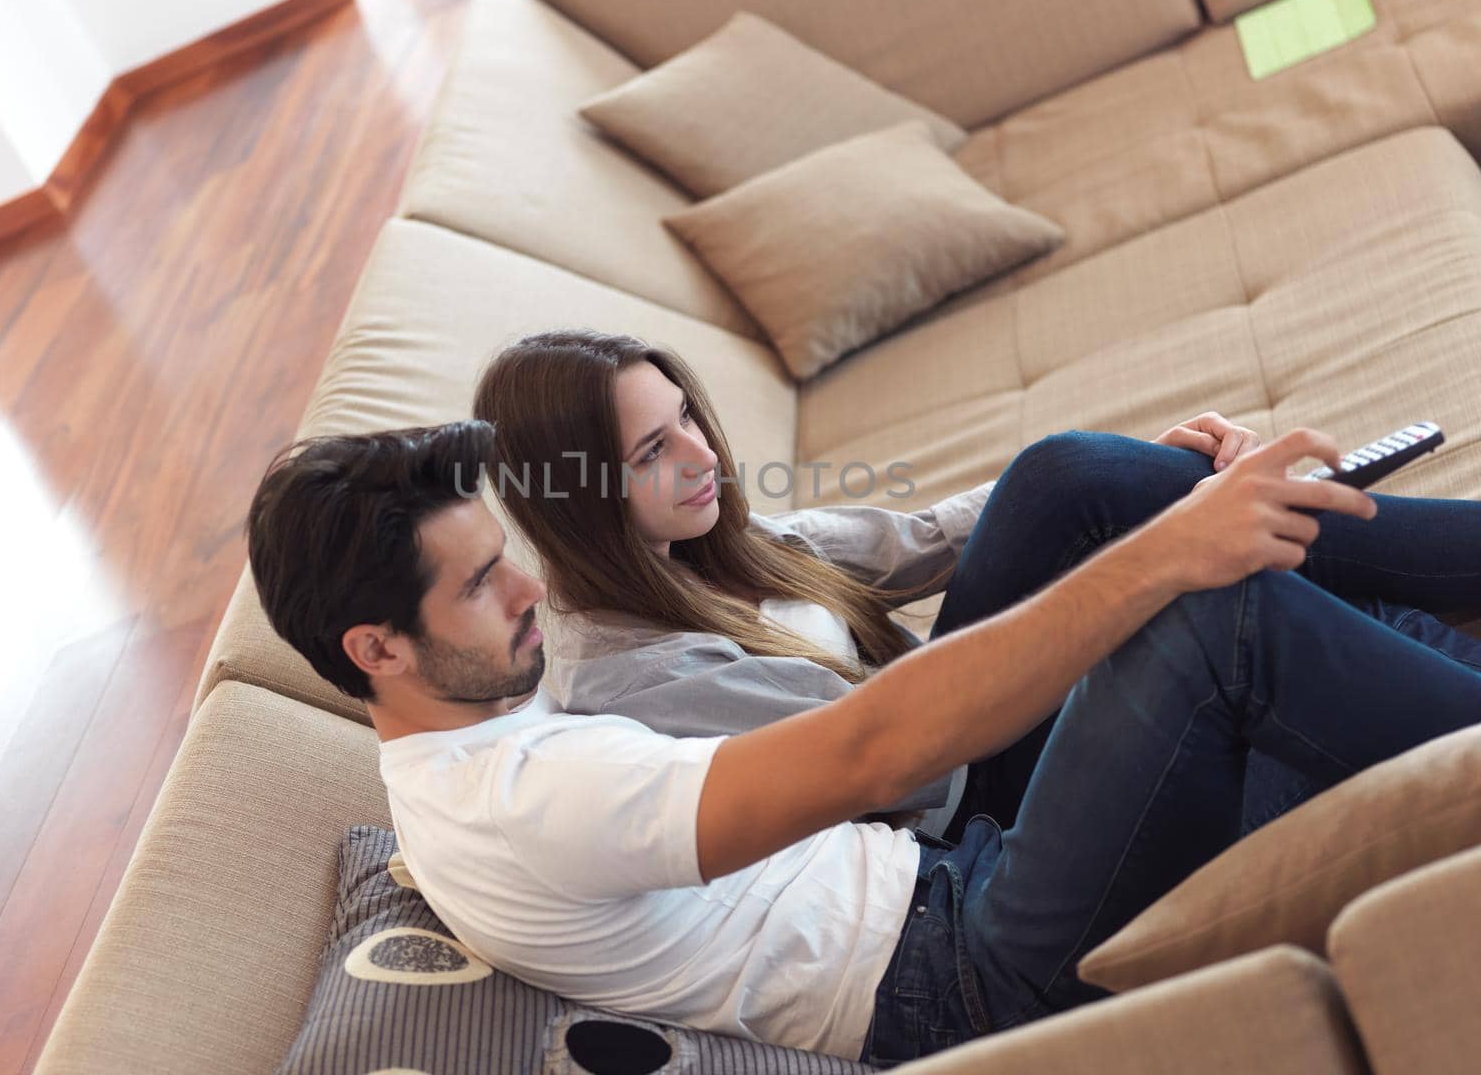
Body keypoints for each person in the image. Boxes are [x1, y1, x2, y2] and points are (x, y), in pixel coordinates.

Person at [245, 419, 1481, 1066]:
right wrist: (1165, 553)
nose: (523, 590)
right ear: (377, 650)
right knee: (1214, 620)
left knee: (1192, 561)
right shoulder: (523, 794)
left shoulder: (487, 722)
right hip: (968, 978)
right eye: (477, 586)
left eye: (501, 552)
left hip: (963, 889)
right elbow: (865, 760)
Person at [472, 331, 1481, 835]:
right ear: (578, 491)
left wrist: (1144, 484)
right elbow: (901, 763)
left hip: (980, 734)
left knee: (1095, 488)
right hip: (971, 801)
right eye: (654, 448)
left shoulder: (693, 540)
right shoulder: (635, 670)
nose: (699, 457)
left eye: (689, 417)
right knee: (1150, 545)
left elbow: (919, 537)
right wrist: (1127, 560)